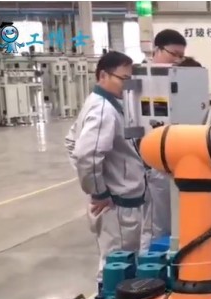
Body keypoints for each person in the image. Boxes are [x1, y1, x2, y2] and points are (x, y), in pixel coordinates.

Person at [66, 51, 145, 283]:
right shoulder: (103, 110)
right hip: (116, 205)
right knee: (117, 265)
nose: (127, 85)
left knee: (122, 261)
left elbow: (71, 141)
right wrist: (98, 191)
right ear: (103, 75)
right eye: (123, 79)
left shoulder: (104, 103)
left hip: (121, 200)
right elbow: (86, 154)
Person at [140, 29, 188, 252]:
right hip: (151, 167)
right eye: (174, 54)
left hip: (173, 163)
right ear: (157, 50)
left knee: (173, 224)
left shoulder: (178, 78)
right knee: (154, 228)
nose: (177, 60)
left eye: (181, 56)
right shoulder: (140, 80)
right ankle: (150, 265)